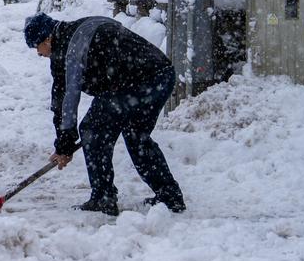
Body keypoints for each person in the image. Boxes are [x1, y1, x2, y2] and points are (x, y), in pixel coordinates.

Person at [23, 12, 185, 216]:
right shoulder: (82, 25)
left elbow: (66, 101)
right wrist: (65, 143)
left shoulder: (68, 51)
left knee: (93, 130)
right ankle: (169, 196)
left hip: (135, 82)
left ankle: (103, 197)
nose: (38, 53)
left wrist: (64, 143)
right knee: (136, 136)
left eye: (36, 46)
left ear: (47, 38)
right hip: (161, 75)